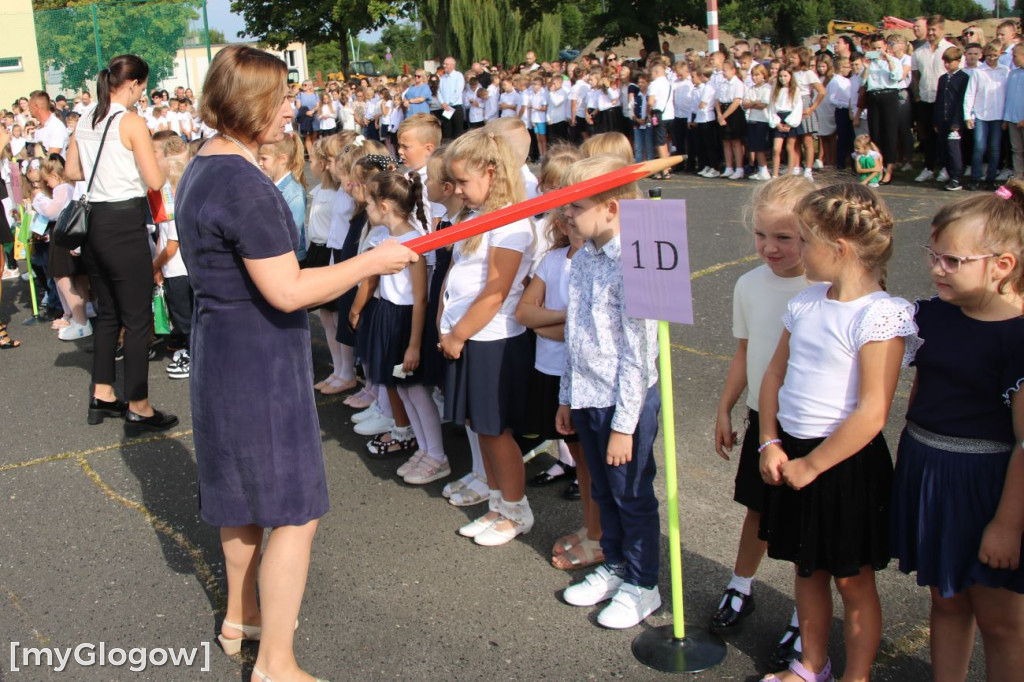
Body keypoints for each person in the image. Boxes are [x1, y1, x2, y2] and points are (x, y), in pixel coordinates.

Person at [174, 45, 416, 682]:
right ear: (251, 102)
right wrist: (370, 262)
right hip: (257, 361)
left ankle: (241, 619)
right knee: (293, 510)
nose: (292, 111)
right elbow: (286, 290)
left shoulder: (203, 163)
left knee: (241, 502)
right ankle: (275, 663)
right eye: (282, 99)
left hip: (220, 350)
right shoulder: (243, 184)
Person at [757, 183, 918, 682]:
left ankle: (858, 675)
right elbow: (774, 375)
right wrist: (769, 440)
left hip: (845, 464)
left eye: (804, 241)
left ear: (840, 249)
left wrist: (813, 465)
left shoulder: (879, 316)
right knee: (807, 569)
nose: (796, 251)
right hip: (793, 454)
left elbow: (872, 413)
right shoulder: (807, 301)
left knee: (852, 580)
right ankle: (811, 664)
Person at [891, 180, 1024, 682]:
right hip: (930, 473)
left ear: (1002, 265)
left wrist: (1007, 524)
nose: (935, 269)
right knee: (946, 603)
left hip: (988, 489)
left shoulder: (1018, 336)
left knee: (1000, 621)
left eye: (952, 261)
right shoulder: (932, 316)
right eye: (933, 256)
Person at [711, 176, 814, 665]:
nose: (769, 248)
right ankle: (740, 584)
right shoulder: (748, 284)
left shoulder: (825, 287)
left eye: (784, 237)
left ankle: (805, 615)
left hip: (810, 426)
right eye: (761, 235)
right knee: (756, 509)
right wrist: (724, 406)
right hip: (761, 420)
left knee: (804, 525)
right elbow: (744, 352)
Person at [557, 154, 661, 629]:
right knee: (602, 489)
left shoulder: (637, 262)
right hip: (587, 396)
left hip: (626, 402)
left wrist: (624, 426)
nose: (566, 216)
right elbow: (576, 335)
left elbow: (639, 352)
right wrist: (566, 396)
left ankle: (644, 584)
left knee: (632, 494)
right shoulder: (582, 260)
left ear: (612, 207)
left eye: (575, 206)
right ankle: (616, 564)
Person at [64, 55, 176, 434]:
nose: (142, 94)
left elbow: (71, 172)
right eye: (142, 87)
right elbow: (154, 180)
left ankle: (102, 393)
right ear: (132, 84)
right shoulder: (131, 121)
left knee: (108, 313)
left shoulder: (85, 118)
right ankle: (139, 405)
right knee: (138, 318)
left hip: (93, 222)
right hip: (123, 222)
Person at [440, 129, 535, 547]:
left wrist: (458, 333)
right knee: (480, 428)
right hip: (470, 337)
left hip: (492, 340)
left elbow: (496, 291)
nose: (457, 190)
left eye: (463, 182)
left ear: (492, 173)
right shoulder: (477, 216)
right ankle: (497, 504)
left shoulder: (512, 223)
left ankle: (517, 510)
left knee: (496, 431)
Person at [362, 171, 449, 485]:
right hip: (391, 318)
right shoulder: (390, 238)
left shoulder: (413, 241)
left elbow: (420, 298)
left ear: (384, 206)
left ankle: (437, 455)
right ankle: (425, 448)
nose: (365, 205)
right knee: (401, 387)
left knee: (414, 388)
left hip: (406, 324)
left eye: (369, 200)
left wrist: (413, 345)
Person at [913, 15, 956, 183]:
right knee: (927, 136)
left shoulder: (950, 49)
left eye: (934, 30)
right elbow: (915, 76)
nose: (930, 33)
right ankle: (928, 167)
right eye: (929, 29)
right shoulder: (919, 52)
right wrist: (917, 96)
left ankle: (946, 168)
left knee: (944, 136)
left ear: (942, 30)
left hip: (943, 101)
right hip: (925, 99)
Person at [965, 42, 1010, 191]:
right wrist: (968, 115)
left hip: (998, 115)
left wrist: (1006, 117)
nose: (991, 58)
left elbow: (1008, 95)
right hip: (981, 115)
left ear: (1000, 54)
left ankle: (991, 178)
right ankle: (975, 178)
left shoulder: (1005, 71)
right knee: (979, 147)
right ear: (984, 55)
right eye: (989, 55)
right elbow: (970, 93)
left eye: (995, 56)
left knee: (995, 148)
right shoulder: (978, 72)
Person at [933, 47, 969, 191]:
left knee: (954, 149)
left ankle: (956, 177)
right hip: (943, 118)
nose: (946, 65)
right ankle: (948, 172)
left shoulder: (963, 78)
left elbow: (961, 101)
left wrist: (956, 122)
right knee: (944, 148)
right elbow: (939, 100)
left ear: (958, 61)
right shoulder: (943, 78)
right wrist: (936, 120)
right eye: (945, 62)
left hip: (955, 120)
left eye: (949, 62)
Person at [767, 68, 803, 179]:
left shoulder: (795, 90)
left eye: (785, 76)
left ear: (791, 76)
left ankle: (789, 173)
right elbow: (771, 107)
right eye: (781, 76)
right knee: (776, 148)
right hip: (779, 117)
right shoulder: (775, 89)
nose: (783, 78)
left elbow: (798, 108)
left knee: (790, 147)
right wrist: (777, 122)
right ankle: (775, 173)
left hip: (789, 118)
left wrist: (789, 123)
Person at [1005, 44, 1024, 181]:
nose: (1013, 59)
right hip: (1012, 118)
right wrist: (1006, 118)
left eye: (1015, 56)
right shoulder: (1013, 74)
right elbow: (1009, 97)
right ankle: (1019, 174)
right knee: (1016, 149)